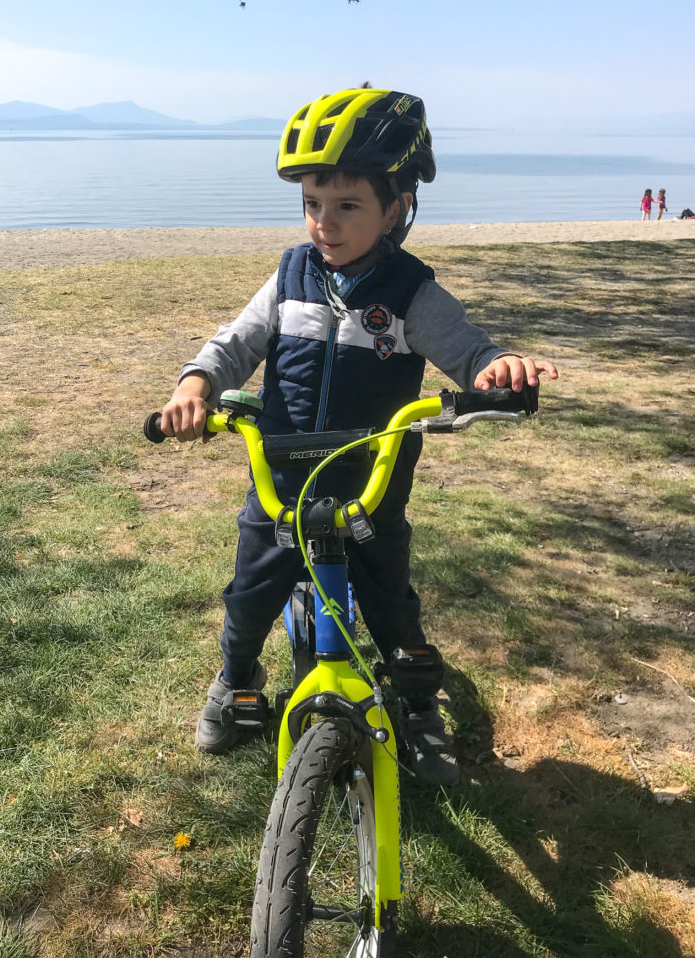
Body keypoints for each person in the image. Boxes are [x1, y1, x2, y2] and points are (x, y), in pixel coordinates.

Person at [159, 87, 558, 786]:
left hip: (369, 494)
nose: (324, 224)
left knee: (391, 606)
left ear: (396, 208)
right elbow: (235, 344)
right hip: (281, 485)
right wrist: (196, 385)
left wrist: (499, 368)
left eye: (347, 206)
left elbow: (468, 351)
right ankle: (235, 675)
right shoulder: (288, 278)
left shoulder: (412, 295)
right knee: (250, 594)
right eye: (312, 204)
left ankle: (418, 704)